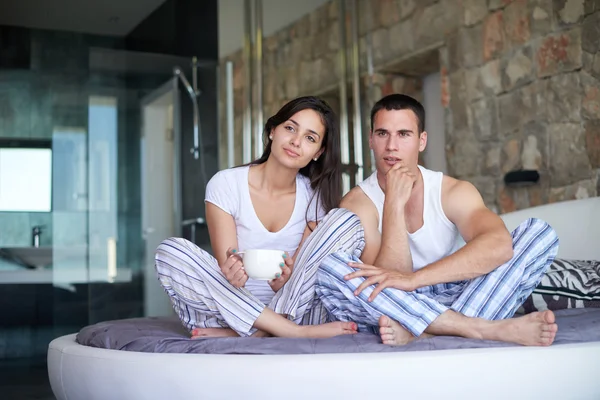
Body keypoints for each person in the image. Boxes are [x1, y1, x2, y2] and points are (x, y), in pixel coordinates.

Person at [315, 93, 560, 346]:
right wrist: (393, 206)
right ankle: (477, 328)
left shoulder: (451, 191)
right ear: (370, 139)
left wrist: (415, 280)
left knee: (539, 234)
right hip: (396, 305)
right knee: (330, 267)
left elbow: (498, 246)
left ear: (422, 141)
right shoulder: (357, 204)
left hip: (455, 290)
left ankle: (424, 331)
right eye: (382, 133)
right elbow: (387, 285)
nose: (391, 146)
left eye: (404, 134)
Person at [154, 96, 364, 339]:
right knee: (170, 251)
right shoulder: (226, 184)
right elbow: (228, 265)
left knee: (346, 221)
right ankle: (286, 332)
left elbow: (302, 278)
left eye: (310, 138)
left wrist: (286, 282)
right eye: (290, 128)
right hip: (227, 310)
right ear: (273, 131)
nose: (296, 141)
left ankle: (261, 332)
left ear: (318, 152)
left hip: (295, 310)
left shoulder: (315, 198)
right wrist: (232, 274)